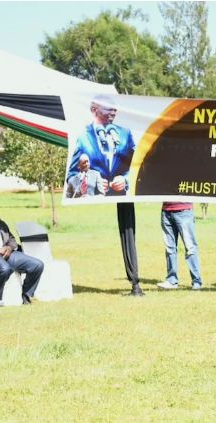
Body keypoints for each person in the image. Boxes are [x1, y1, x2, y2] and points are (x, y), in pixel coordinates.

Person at [67, 94, 143, 297]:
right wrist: (91, 179)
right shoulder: (81, 136)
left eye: (114, 109)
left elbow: (138, 164)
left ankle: (135, 283)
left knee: (129, 233)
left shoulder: (125, 134)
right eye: (108, 109)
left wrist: (125, 179)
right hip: (96, 195)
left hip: (123, 196)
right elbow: (71, 176)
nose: (113, 112)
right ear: (94, 110)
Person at [157, 201, 203, 290]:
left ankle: (196, 281)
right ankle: (171, 280)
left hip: (184, 211)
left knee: (190, 247)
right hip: (166, 211)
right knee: (170, 248)